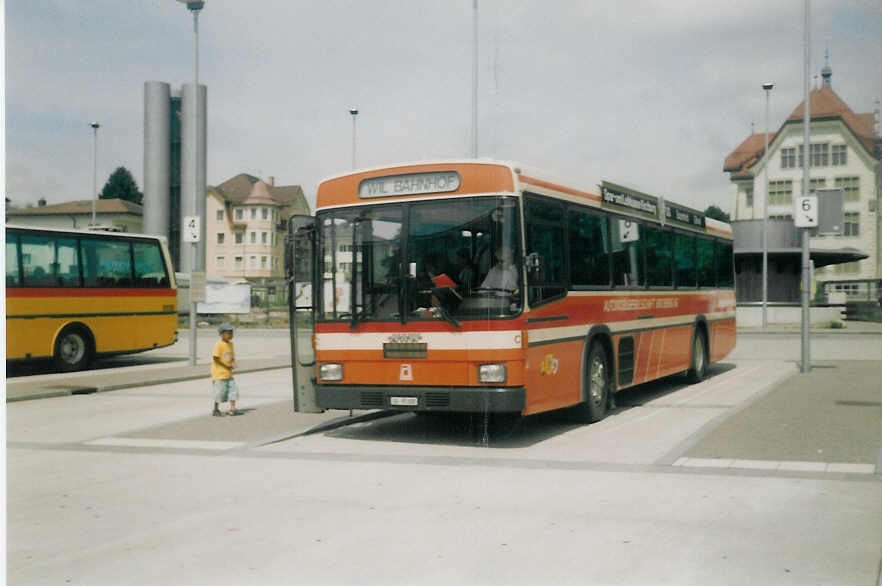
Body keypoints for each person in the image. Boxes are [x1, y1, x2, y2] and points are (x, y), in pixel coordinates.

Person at [211, 322, 241, 416]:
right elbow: (215, 358)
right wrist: (226, 366)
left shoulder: (231, 344)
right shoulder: (219, 345)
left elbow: (231, 356)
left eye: (231, 333)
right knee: (219, 392)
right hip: (219, 374)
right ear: (221, 334)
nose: (230, 335)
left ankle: (233, 408)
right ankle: (216, 409)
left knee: (233, 390)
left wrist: (233, 362)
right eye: (228, 333)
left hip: (229, 373)